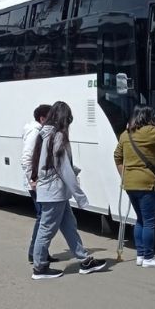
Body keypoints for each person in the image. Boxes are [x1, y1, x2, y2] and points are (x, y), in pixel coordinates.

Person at [31, 101, 106, 280]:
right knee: (47, 229)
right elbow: (64, 169)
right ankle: (39, 267)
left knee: (69, 227)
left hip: (53, 191)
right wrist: (80, 196)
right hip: (54, 192)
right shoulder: (57, 137)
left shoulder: (45, 134)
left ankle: (84, 260)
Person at [113, 104, 155, 268]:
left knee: (140, 220)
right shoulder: (149, 131)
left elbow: (117, 157)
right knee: (150, 222)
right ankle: (149, 258)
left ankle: (140, 255)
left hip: (129, 183)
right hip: (146, 183)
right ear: (148, 117)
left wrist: (125, 175)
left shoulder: (125, 134)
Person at [21, 104, 58, 264]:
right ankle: (35, 253)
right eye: (51, 118)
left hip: (38, 181)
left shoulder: (40, 132)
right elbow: (26, 158)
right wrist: (33, 179)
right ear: (42, 119)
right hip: (36, 183)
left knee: (43, 217)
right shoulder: (35, 132)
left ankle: (38, 252)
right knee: (43, 218)